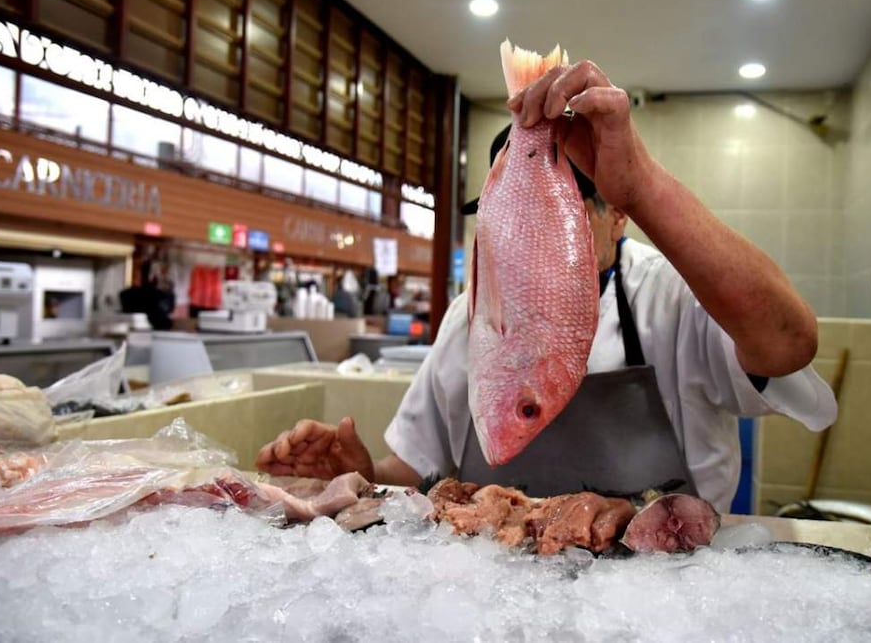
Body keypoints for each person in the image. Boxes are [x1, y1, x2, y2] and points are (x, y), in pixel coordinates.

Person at [256, 59, 836, 512]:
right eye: (505, 210)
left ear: (618, 214)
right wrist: (359, 472)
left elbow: (789, 345)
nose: (517, 231)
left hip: (662, 589)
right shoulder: (471, 317)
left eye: (559, 204)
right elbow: (414, 472)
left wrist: (643, 184)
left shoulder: (671, 296)